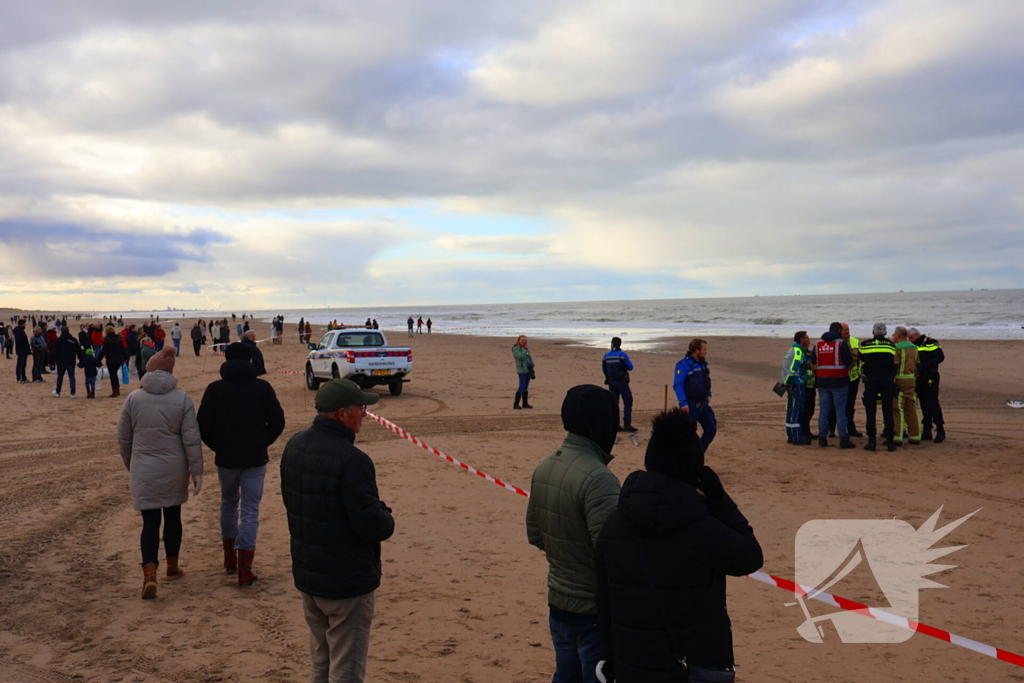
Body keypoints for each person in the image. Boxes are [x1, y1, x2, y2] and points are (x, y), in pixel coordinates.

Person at [595, 409, 763, 682]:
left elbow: (603, 603)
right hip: (693, 665)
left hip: (632, 663)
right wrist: (720, 500)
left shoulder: (614, 524)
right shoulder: (702, 528)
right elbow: (750, 557)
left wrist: (609, 657)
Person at [280, 379, 395, 683]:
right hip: (344, 579)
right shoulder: (353, 460)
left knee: (322, 659)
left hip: (310, 572)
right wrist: (385, 516)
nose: (365, 414)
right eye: (360, 409)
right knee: (345, 667)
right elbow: (370, 524)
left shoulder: (295, 445)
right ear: (342, 414)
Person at [527, 385, 621, 683]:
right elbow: (613, 554)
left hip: (559, 603)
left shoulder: (545, 465)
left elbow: (536, 535)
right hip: (592, 612)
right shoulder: (599, 478)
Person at [116, 347, 203, 599]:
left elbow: (124, 437)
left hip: (144, 467)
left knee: (150, 522)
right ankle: (172, 566)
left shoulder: (133, 398)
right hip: (173, 467)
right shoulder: (182, 399)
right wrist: (196, 471)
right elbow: (191, 439)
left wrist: (131, 465)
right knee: (173, 516)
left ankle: (149, 573)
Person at [198, 342, 285, 586]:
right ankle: (241, 566)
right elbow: (277, 422)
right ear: (250, 360)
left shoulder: (215, 389)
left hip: (231, 457)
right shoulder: (261, 388)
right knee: (249, 511)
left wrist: (220, 445)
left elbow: (203, 425)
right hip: (251, 457)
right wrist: (262, 442)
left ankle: (235, 562)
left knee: (229, 504)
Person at [815, 323, 856, 449]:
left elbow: (814, 361)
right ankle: (843, 438)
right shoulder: (841, 343)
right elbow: (848, 361)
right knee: (840, 410)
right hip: (839, 380)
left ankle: (822, 437)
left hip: (822, 380)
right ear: (839, 330)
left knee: (824, 410)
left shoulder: (818, 344)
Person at [673, 339, 716, 452]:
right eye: (704, 349)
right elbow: (678, 385)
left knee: (711, 429)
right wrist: (683, 403)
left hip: (703, 403)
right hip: (691, 404)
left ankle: (698, 453)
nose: (706, 352)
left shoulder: (702, 364)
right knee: (688, 433)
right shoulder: (684, 365)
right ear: (697, 350)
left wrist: (708, 394)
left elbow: (706, 380)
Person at [859, 323, 898, 452]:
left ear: (873, 332)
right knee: (888, 410)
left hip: (871, 380)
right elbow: (894, 360)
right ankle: (890, 442)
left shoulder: (865, 344)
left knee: (870, 411)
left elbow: (860, 358)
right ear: (885, 333)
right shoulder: (891, 345)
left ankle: (872, 441)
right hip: (887, 380)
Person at [908, 327, 946, 443]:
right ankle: (927, 430)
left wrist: (924, 364)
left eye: (910, 337)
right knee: (924, 404)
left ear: (916, 335)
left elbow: (940, 357)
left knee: (933, 403)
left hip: (930, 377)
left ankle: (940, 430)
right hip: (919, 378)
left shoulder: (931, 342)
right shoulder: (913, 345)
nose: (909, 340)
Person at [828, 323, 864, 438]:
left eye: (848, 330)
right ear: (839, 331)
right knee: (834, 404)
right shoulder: (834, 342)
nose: (847, 332)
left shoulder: (855, 341)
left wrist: (860, 372)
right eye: (844, 330)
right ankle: (831, 429)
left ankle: (851, 428)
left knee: (850, 405)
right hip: (838, 377)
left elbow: (861, 358)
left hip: (853, 378)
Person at [891, 327, 921, 446]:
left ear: (897, 336)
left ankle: (897, 437)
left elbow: (895, 366)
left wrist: (892, 381)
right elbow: (918, 365)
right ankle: (915, 436)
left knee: (897, 409)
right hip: (911, 380)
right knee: (911, 409)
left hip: (900, 380)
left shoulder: (897, 348)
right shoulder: (914, 347)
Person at [782, 331, 811, 445]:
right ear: (801, 340)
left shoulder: (791, 350)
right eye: (806, 338)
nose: (809, 340)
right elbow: (793, 369)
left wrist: (785, 382)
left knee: (790, 409)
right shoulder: (798, 352)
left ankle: (790, 435)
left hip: (790, 383)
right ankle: (797, 438)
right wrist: (790, 382)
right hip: (796, 384)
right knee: (797, 410)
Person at [602, 337, 636, 433]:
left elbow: (604, 369)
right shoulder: (622, 355)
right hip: (622, 382)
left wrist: (608, 378)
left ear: (612, 344)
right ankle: (627, 425)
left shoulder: (606, 356)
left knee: (614, 403)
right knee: (628, 401)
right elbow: (630, 367)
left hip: (611, 382)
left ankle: (615, 425)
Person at [52, 326, 85, 398]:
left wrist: (52, 361)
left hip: (61, 361)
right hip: (71, 361)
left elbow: (54, 352)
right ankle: (73, 393)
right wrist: (81, 360)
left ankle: (58, 392)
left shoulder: (58, 340)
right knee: (71, 376)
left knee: (60, 376)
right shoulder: (73, 340)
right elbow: (79, 351)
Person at [97, 325, 126, 398]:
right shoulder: (119, 339)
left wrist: (98, 360)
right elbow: (123, 349)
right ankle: (117, 389)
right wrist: (125, 358)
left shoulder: (107, 340)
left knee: (112, 375)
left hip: (110, 359)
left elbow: (103, 351)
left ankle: (115, 390)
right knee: (115, 374)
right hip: (118, 359)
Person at [511, 334, 535, 409]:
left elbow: (528, 356)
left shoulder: (526, 349)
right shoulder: (516, 349)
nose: (523, 341)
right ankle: (516, 404)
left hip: (528, 369)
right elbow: (521, 357)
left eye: (525, 340)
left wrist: (532, 364)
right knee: (521, 386)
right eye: (522, 340)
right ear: (518, 341)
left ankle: (525, 403)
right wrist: (524, 350)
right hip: (521, 370)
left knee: (525, 387)